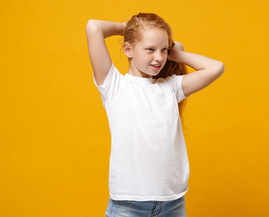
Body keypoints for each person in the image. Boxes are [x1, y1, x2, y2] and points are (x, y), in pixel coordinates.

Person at [85, 13, 224, 217]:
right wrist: (131, 29)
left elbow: (216, 67)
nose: (158, 57)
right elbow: (93, 27)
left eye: (164, 50)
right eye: (150, 49)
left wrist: (178, 55)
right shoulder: (114, 86)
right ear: (128, 49)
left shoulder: (171, 87)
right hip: (129, 206)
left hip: (172, 203)